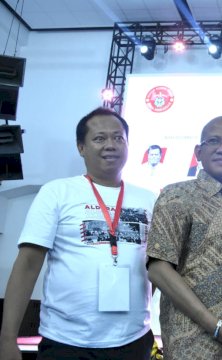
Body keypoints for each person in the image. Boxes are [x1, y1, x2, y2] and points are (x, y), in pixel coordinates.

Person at [0, 107, 156, 360]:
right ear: (81, 147)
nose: (111, 145)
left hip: (133, 341)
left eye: (118, 138)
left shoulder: (149, 198)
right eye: (99, 138)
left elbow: (157, 267)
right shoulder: (57, 192)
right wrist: (7, 339)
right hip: (67, 342)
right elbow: (27, 264)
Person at [146, 116, 222, 359]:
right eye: (214, 141)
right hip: (192, 344)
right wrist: (216, 326)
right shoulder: (176, 196)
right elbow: (158, 268)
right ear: (198, 152)